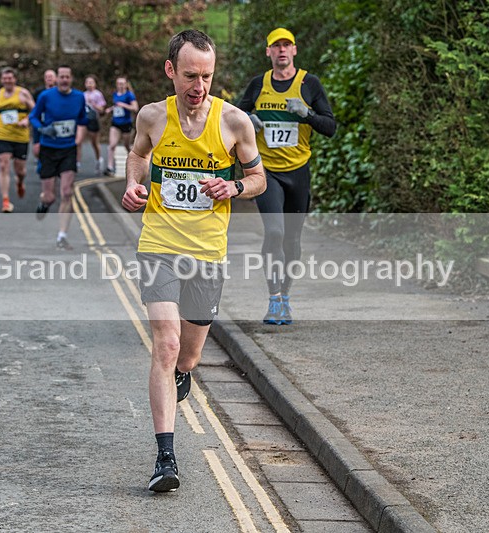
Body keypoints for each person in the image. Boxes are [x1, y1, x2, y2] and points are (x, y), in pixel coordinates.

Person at [122, 29, 265, 492]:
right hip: (159, 244)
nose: (198, 85)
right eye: (189, 75)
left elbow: (259, 176)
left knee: (189, 354)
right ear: (171, 71)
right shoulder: (152, 117)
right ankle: (166, 457)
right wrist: (133, 185)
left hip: (207, 252)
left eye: (206, 76)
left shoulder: (235, 123)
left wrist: (236, 187)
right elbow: (138, 155)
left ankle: (183, 372)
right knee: (164, 344)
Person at [237, 27, 336, 325]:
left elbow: (330, 127)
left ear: (294, 50)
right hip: (266, 174)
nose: (281, 50)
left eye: (286, 45)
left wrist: (306, 113)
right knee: (275, 232)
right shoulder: (258, 85)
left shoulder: (309, 83)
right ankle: (273, 299)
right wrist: (247, 120)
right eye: (275, 46)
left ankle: (286, 296)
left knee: (292, 238)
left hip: (298, 173)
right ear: (268, 52)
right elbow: (232, 119)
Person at [27, 65, 88, 250]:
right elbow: (33, 117)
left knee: (67, 192)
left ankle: (62, 236)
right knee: (50, 196)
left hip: (68, 149)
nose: (64, 80)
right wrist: (42, 128)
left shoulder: (79, 97)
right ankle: (44, 203)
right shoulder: (46, 96)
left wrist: (79, 138)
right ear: (57, 79)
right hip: (48, 149)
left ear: (71, 79)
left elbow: (82, 120)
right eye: (61, 76)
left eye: (67, 77)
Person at [0, 67, 35, 213]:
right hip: (3, 136)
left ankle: (20, 182)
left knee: (20, 170)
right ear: (1, 80)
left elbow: (35, 110)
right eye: (4, 78)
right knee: (3, 165)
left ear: (14, 79)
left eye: (10, 78)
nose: (7, 81)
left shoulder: (23, 93)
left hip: (20, 137)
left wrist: (26, 121)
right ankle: (5, 201)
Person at [103, 76, 138, 176]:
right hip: (115, 123)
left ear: (126, 84)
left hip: (126, 124)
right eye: (118, 83)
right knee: (112, 145)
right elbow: (117, 105)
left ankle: (134, 163)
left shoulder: (129, 95)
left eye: (122, 84)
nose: (120, 86)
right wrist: (110, 109)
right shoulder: (115, 94)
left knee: (127, 146)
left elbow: (135, 108)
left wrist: (124, 105)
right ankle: (109, 167)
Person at [31, 69, 57, 175]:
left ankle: (50, 165)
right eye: (47, 77)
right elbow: (32, 107)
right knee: (37, 148)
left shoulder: (59, 92)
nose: (49, 78)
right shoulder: (39, 92)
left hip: (53, 123)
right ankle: (41, 160)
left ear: (55, 78)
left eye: (51, 76)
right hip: (39, 122)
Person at [83, 74, 107, 176]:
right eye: (87, 82)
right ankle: (77, 163)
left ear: (95, 84)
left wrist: (93, 104)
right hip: (84, 119)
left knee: (94, 143)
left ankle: (99, 160)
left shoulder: (98, 94)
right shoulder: (82, 95)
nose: (89, 85)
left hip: (93, 119)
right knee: (77, 141)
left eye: (91, 82)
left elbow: (102, 109)